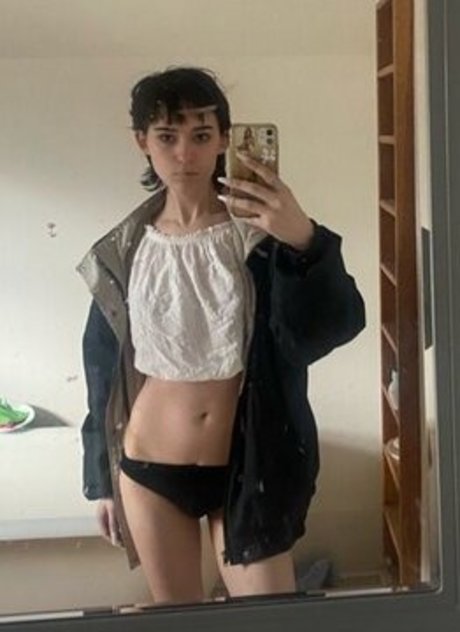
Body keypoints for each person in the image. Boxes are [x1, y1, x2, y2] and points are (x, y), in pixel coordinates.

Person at [77, 66, 365, 605]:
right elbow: (101, 367)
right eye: (167, 136)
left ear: (225, 140)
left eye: (201, 134)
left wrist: (305, 241)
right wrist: (100, 480)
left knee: (270, 616)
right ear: (142, 142)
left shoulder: (261, 236)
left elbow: (328, 329)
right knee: (180, 619)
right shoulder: (125, 251)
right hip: (148, 467)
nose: (184, 153)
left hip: (250, 465)